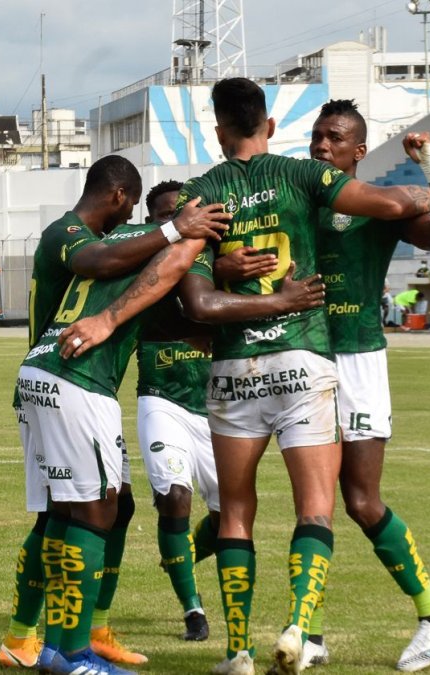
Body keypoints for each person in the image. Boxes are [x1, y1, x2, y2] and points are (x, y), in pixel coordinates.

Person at [143, 78, 430, 675]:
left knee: (236, 513)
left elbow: (196, 306)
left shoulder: (201, 197)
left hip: (233, 371)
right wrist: (417, 189)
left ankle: (237, 652)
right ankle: (302, 626)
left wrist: (224, 268)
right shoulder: (305, 178)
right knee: (318, 510)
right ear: (270, 127)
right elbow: (395, 205)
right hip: (305, 361)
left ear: (218, 129)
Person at [0, 155, 230, 671]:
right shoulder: (85, 239)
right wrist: (180, 231)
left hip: (47, 376)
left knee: (98, 508)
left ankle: (68, 640)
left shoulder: (120, 249)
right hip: (76, 378)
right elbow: (110, 269)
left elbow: (173, 316)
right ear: (127, 200)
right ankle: (64, 649)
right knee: (93, 510)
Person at [309, 98, 430, 672]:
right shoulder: (301, 198)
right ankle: (312, 633)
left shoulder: (378, 206)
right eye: (317, 137)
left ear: (357, 151)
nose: (322, 146)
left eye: (334, 138)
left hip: (361, 363)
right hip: (308, 361)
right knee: (314, 503)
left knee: (361, 502)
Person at [135, 181, 287, 644]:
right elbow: (174, 294)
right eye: (167, 216)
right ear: (152, 222)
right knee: (175, 497)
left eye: (189, 213)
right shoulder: (144, 262)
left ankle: (176, 553)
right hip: (162, 398)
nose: (181, 223)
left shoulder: (219, 261)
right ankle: (193, 610)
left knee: (229, 517)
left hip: (217, 405)